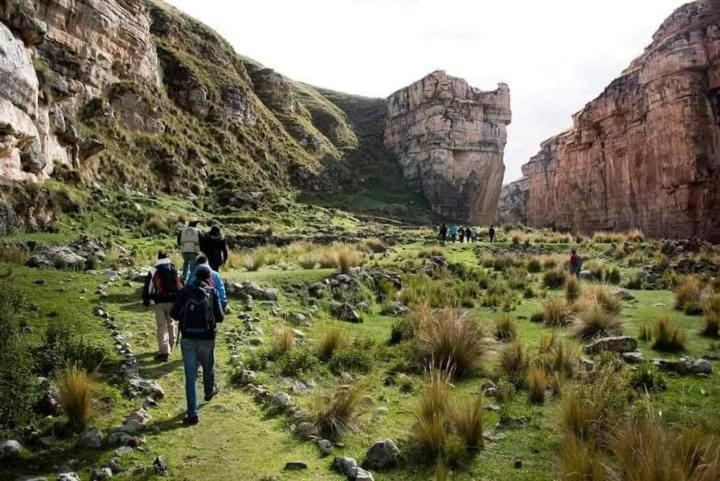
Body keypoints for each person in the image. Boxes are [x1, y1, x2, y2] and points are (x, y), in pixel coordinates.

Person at [171, 264, 225, 425]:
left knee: (190, 376)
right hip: (207, 338)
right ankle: (209, 391)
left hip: (188, 338)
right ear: (209, 277)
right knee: (208, 366)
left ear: (195, 275)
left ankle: (192, 413)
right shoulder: (212, 291)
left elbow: (173, 314)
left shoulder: (185, 291)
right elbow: (220, 317)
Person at [142, 251, 184, 362]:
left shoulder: (153, 270)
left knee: (161, 326)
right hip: (173, 301)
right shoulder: (174, 269)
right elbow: (181, 285)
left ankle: (164, 351)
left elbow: (148, 287)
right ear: (167, 258)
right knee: (171, 323)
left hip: (159, 301)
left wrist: (146, 302)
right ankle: (172, 344)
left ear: (158, 258)